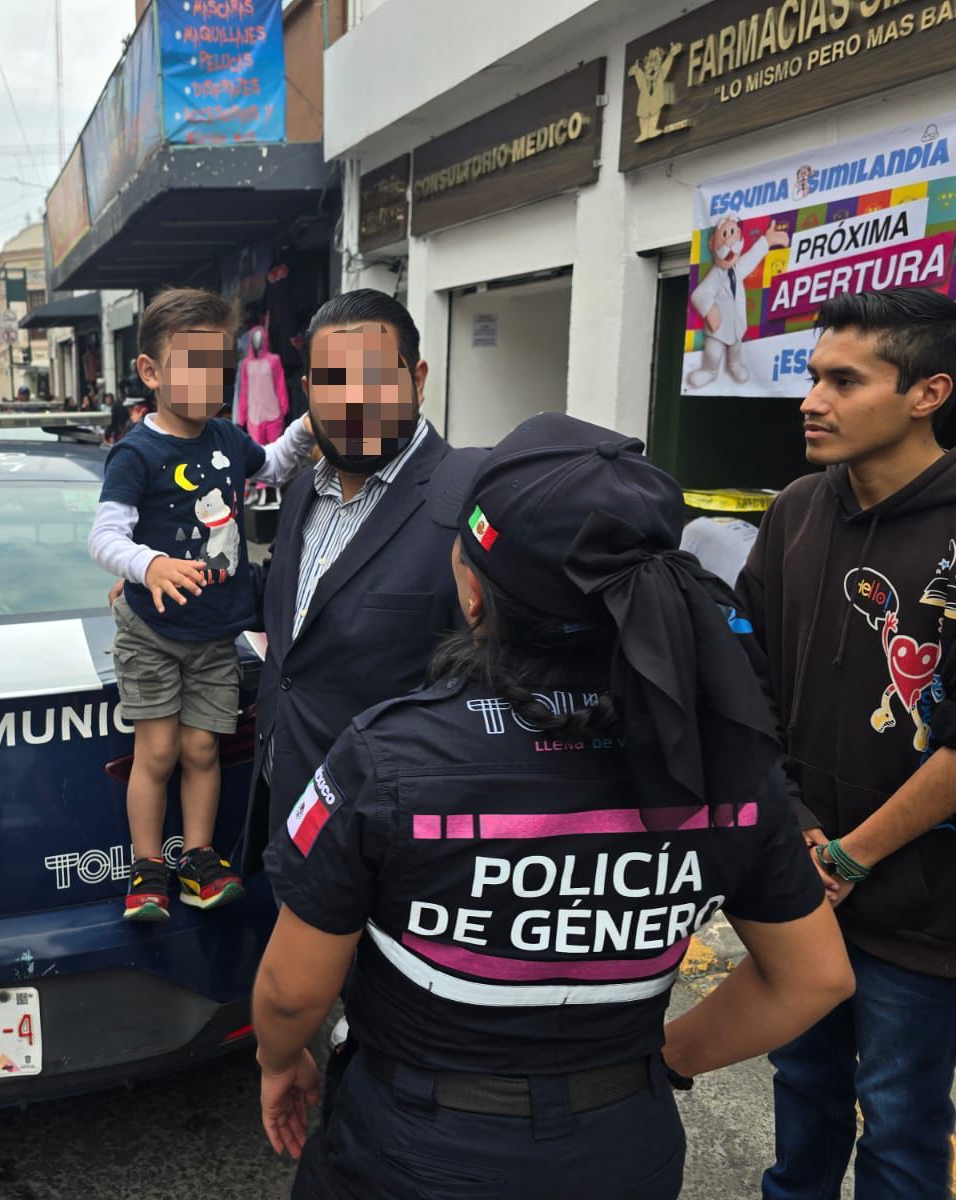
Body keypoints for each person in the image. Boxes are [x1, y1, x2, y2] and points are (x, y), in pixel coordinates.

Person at [253, 411, 855, 1199]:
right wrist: (659, 1062)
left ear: (473, 592)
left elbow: (293, 990)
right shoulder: (732, 760)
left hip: (412, 1153)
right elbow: (814, 977)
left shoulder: (388, 759)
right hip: (622, 1152)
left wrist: (277, 1060)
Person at [738, 287, 956, 1200]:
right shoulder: (794, 511)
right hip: (802, 883)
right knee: (803, 1101)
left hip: (921, 911)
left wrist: (852, 857)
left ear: (927, 392)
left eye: (843, 379)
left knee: (902, 1129)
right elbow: (745, 682)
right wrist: (793, 832)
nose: (810, 399)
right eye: (810, 376)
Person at [89, 287, 314, 920]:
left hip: (216, 633)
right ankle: (146, 867)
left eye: (220, 364)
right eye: (191, 363)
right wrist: (149, 564)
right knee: (157, 753)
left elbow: (269, 466)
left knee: (203, 751)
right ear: (151, 372)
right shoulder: (136, 451)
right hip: (152, 632)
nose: (209, 377)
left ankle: (198, 858)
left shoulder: (226, 437)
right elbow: (105, 536)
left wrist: (307, 422)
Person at [238, 289, 460, 877]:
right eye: (333, 380)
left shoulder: (465, 502)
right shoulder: (304, 489)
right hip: (285, 814)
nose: (354, 398)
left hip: (394, 851)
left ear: (417, 380)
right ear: (308, 391)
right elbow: (291, 614)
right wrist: (165, 581)